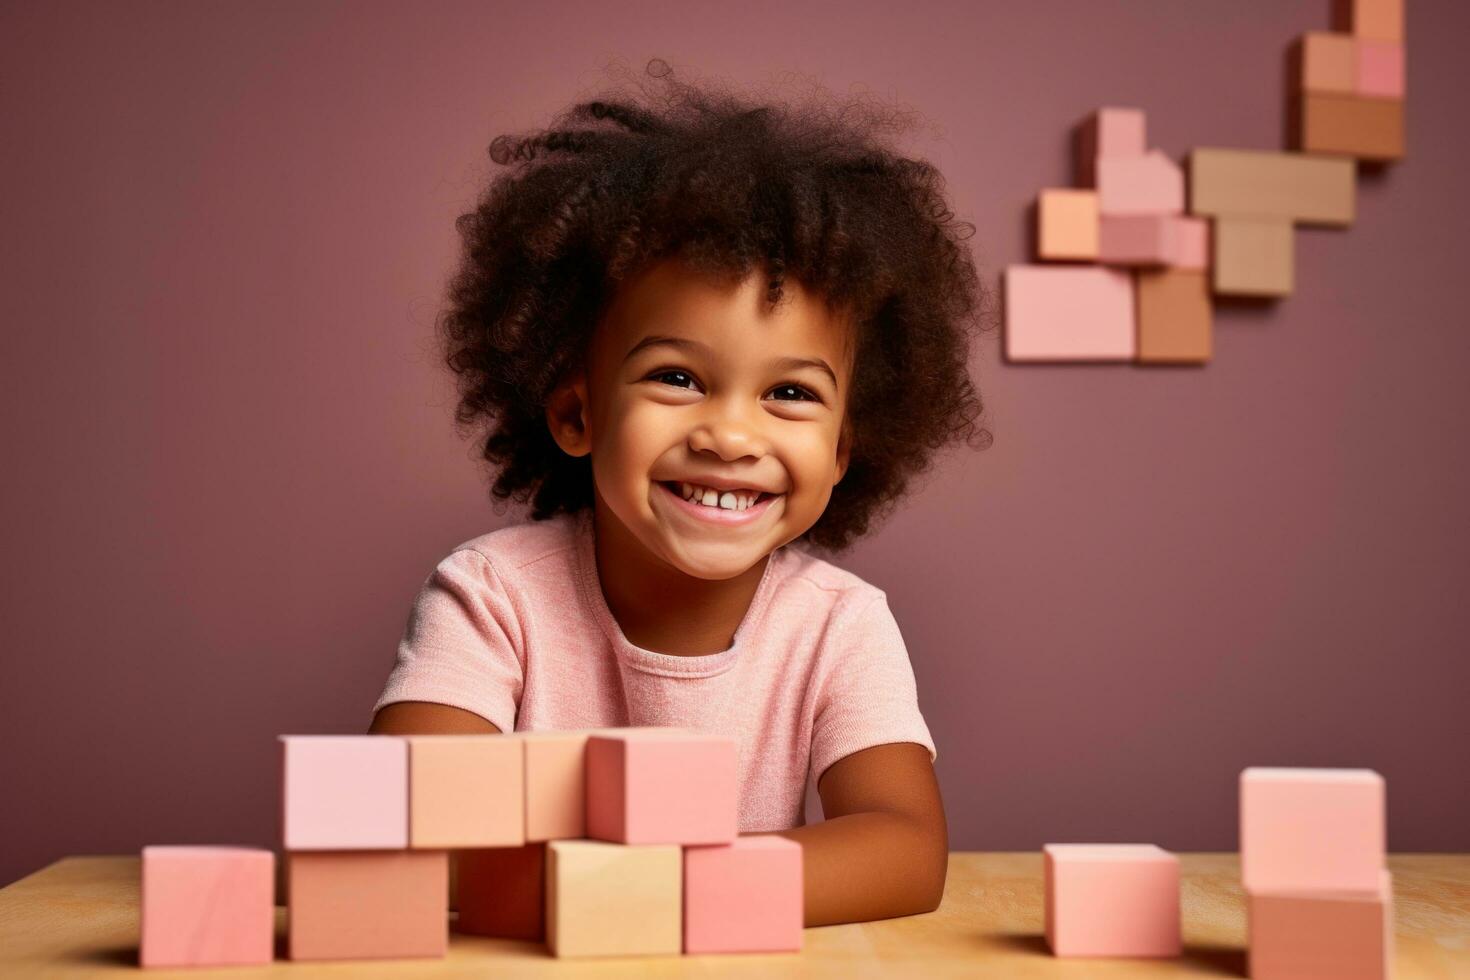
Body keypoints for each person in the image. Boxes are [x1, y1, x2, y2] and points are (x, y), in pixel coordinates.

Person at [369, 58, 991, 927]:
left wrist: (648, 891)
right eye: (677, 377)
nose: (731, 437)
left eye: (790, 393)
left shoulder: (838, 624)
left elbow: (904, 852)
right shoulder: (492, 596)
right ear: (578, 413)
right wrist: (692, 890)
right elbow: (411, 833)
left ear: (844, 451)